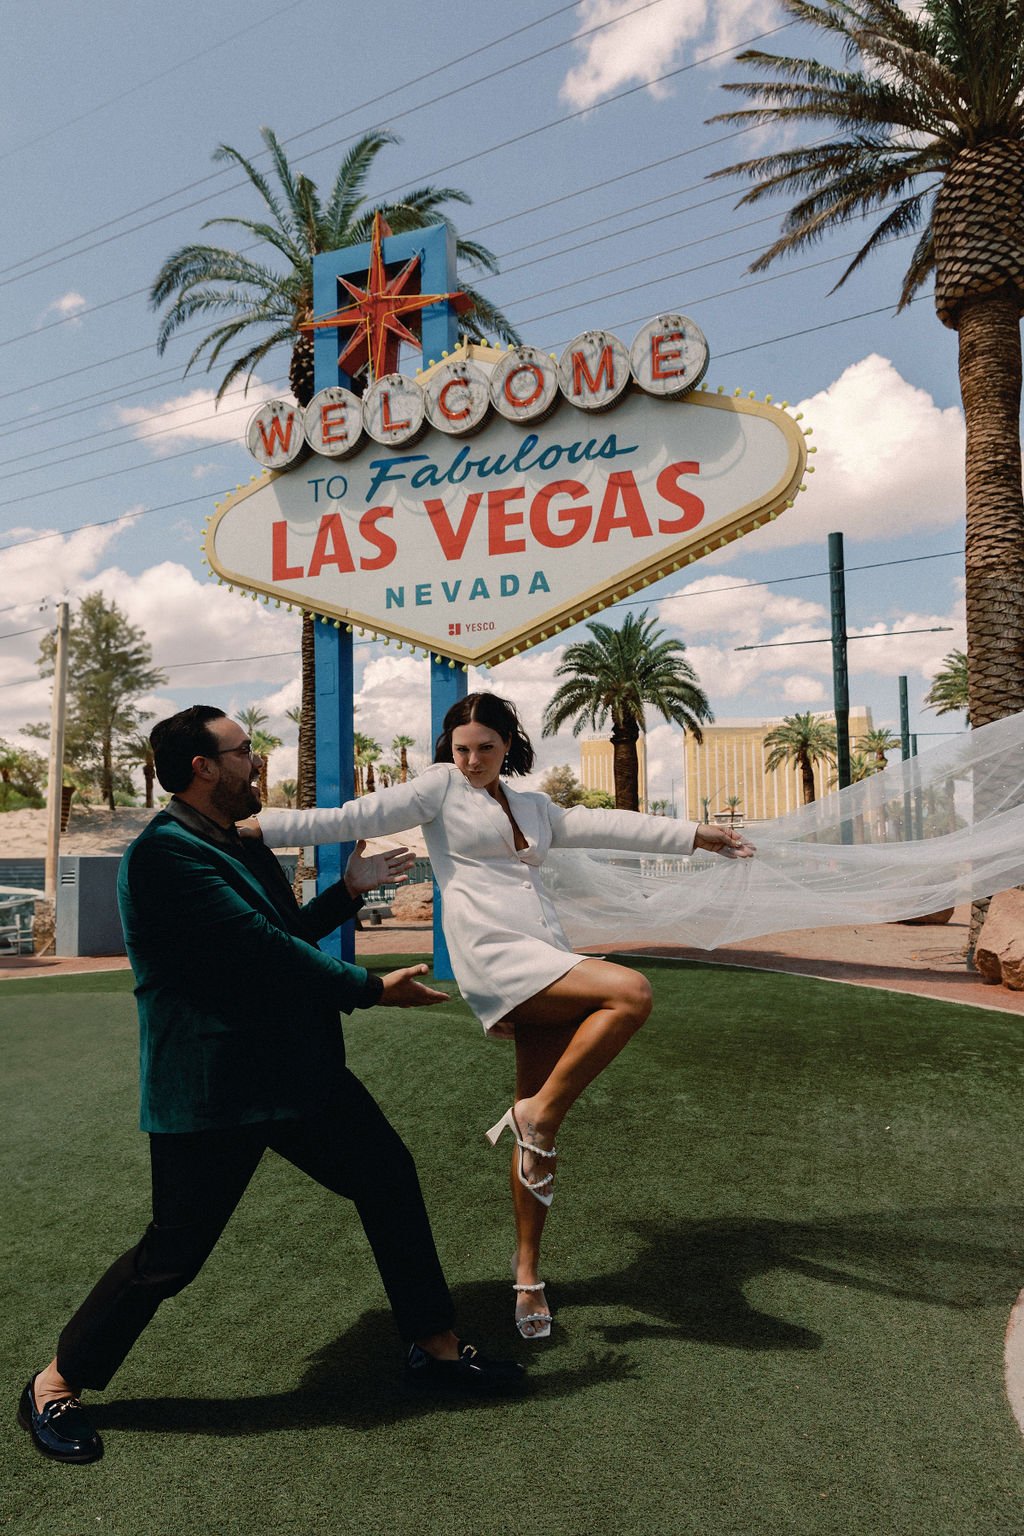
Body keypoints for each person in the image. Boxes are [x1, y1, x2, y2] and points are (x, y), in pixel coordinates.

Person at [19, 705, 523, 1467]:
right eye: (244, 750)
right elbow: (260, 954)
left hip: (299, 1074)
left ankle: (436, 1347)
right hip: (215, 1089)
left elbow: (282, 935)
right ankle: (54, 1383)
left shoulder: (234, 841)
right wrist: (370, 989)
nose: (257, 761)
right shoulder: (164, 856)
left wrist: (347, 892)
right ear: (202, 767)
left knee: (387, 1177)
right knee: (172, 1255)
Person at [254, 692, 752, 1341]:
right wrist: (248, 827)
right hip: (491, 954)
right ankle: (538, 1111)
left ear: (507, 744)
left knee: (539, 1145)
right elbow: (341, 817)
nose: (471, 760)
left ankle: (528, 1276)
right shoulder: (437, 790)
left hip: (544, 951)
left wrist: (696, 834)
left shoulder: (530, 805)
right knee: (630, 993)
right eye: (460, 749)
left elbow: (608, 826)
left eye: (484, 749)